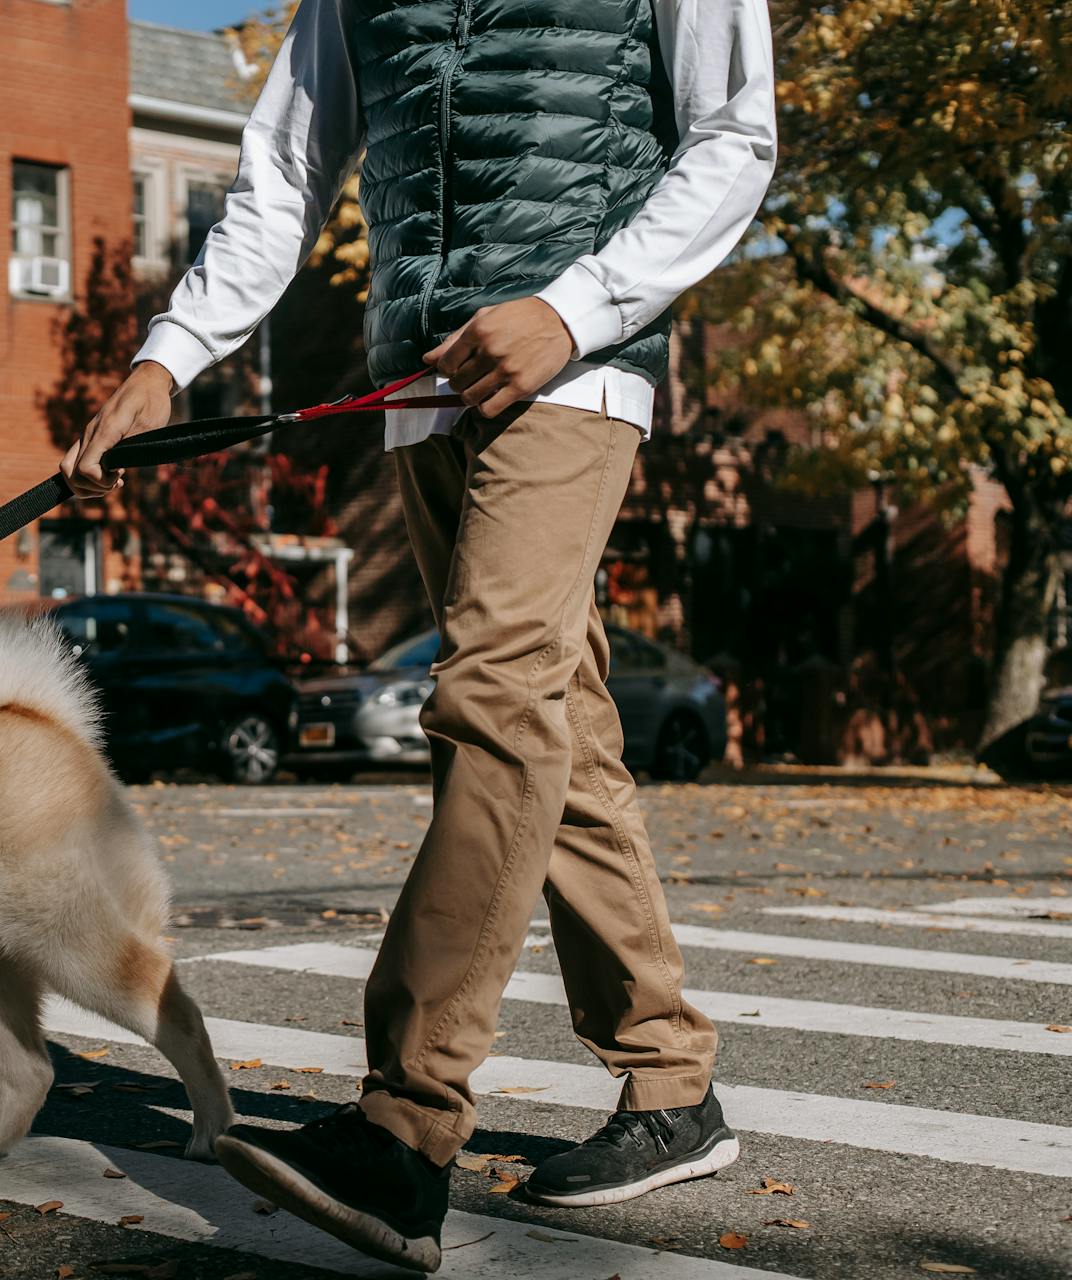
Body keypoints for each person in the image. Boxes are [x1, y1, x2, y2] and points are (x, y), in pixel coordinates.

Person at [63, 0, 777, 1271]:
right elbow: (286, 165)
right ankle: (670, 1080)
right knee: (565, 721)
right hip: (422, 381)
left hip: (573, 365)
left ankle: (405, 1120)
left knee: (494, 697)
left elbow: (734, 133)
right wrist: (169, 359)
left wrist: (575, 306)